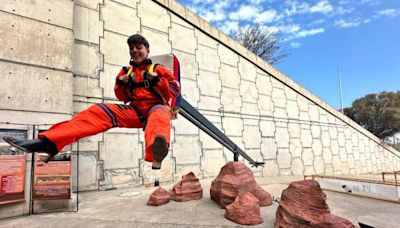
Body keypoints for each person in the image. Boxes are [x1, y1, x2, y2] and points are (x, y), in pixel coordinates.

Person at [3, 34, 180, 170]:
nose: (135, 51)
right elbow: (121, 97)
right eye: (132, 48)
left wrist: (158, 80)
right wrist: (122, 83)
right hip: (134, 112)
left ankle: (157, 152)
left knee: (159, 116)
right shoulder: (125, 72)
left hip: (154, 108)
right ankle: (49, 142)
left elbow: (173, 91)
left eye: (138, 47)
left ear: (147, 50)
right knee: (98, 111)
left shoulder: (158, 69)